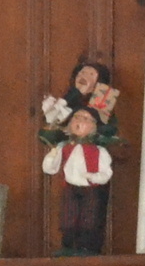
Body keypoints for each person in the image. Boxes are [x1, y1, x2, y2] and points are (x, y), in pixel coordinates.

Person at [43, 104, 113, 253]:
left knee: (89, 219)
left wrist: (92, 177)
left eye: (85, 119)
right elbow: (50, 168)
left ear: (93, 126)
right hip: (69, 187)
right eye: (77, 117)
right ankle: (68, 246)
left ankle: (86, 248)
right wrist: (52, 156)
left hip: (90, 189)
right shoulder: (64, 148)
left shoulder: (99, 151)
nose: (79, 121)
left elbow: (106, 173)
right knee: (68, 218)